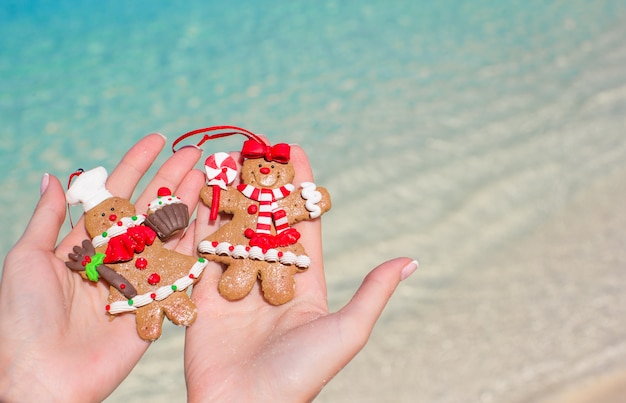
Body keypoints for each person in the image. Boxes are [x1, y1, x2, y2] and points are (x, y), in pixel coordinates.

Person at [0, 133, 417, 402]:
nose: (267, 172)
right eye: (105, 214)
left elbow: (173, 217)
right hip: (158, 279)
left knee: (269, 283)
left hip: (275, 249)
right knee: (227, 283)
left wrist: (307, 201)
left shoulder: (143, 229)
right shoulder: (103, 249)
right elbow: (221, 203)